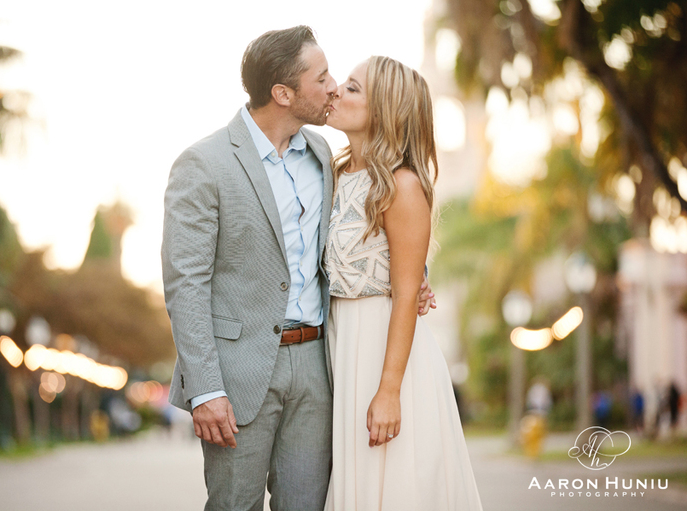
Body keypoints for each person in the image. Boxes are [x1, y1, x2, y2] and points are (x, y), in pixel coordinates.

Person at [162, 27, 434, 511]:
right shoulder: (203, 164)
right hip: (237, 369)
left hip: (318, 364)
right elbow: (186, 284)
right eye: (323, 77)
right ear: (283, 94)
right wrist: (204, 389)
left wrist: (417, 275)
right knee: (233, 504)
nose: (333, 87)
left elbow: (366, 230)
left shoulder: (324, 157)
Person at [323, 56, 483, 510]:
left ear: (385, 111)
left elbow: (407, 292)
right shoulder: (332, 176)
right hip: (344, 348)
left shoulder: (402, 185)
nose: (336, 91)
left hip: (387, 357)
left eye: (352, 88)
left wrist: (389, 390)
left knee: (394, 488)